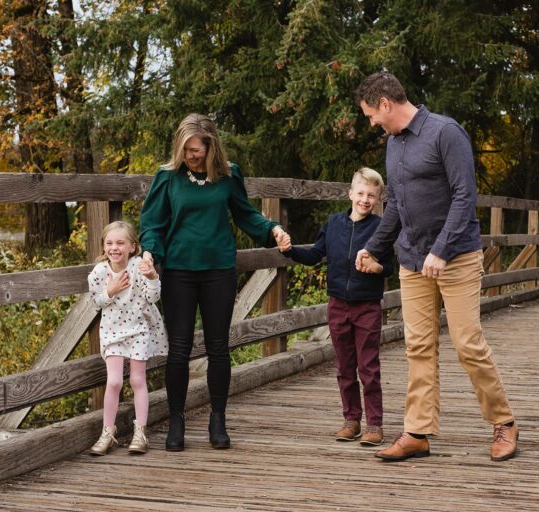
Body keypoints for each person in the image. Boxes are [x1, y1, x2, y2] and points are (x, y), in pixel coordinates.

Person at [353, 72, 518, 462]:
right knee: (418, 346)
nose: (371, 123)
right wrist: (374, 248)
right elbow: (394, 205)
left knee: (467, 344)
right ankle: (417, 432)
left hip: (455, 257)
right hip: (412, 259)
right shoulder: (393, 145)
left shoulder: (446, 133)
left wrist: (442, 249)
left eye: (370, 115)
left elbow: (465, 195)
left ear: (385, 104)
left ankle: (504, 423)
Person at [139, 113, 291, 451]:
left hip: (218, 269)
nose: (194, 155)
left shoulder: (227, 175)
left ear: (212, 146)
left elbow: (245, 213)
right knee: (178, 348)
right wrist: (150, 252)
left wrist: (273, 229)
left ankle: (218, 418)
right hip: (178, 270)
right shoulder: (167, 177)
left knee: (218, 346)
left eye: (199, 149)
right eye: (188, 149)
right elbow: (152, 223)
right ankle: (176, 421)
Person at [281, 167, 393, 446]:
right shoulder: (333, 224)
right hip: (338, 305)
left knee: (368, 367)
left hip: (367, 306)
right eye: (361, 193)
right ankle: (351, 420)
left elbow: (389, 266)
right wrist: (289, 250)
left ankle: (374, 424)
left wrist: (376, 267)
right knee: (345, 366)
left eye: (372, 195)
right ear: (350, 193)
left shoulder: (380, 227)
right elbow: (314, 255)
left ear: (378, 199)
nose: (365, 200)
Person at [87, 220, 168, 456]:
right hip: (112, 331)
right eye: (109, 243)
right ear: (103, 247)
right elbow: (96, 302)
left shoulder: (138, 267)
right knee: (113, 382)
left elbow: (153, 297)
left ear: (133, 246)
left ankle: (140, 432)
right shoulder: (100, 273)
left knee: (137, 380)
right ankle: (107, 432)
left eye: (120, 243)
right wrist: (110, 290)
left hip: (139, 329)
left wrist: (152, 276)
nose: (115, 248)